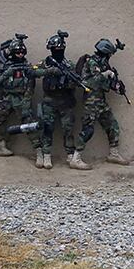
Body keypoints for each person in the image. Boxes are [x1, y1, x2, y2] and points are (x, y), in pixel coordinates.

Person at [0, 35, 48, 161]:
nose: (20, 54)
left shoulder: (27, 67)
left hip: (21, 99)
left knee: (29, 126)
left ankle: (39, 153)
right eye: (17, 52)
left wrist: (26, 102)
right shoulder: (5, 66)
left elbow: (31, 86)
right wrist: (6, 73)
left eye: (22, 52)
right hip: (6, 98)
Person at [71, 37, 129, 169]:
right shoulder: (91, 63)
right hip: (91, 102)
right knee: (88, 130)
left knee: (112, 125)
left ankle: (113, 154)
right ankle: (76, 158)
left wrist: (116, 86)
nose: (110, 56)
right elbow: (89, 82)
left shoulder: (102, 63)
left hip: (101, 101)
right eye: (109, 54)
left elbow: (105, 83)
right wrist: (106, 74)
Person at [38, 30, 81, 170]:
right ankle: (46, 155)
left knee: (68, 130)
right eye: (54, 49)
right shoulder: (47, 62)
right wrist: (49, 71)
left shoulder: (69, 65)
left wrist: (69, 81)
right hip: (49, 101)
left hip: (65, 102)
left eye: (60, 49)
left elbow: (76, 81)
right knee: (47, 129)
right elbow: (32, 72)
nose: (57, 51)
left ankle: (70, 155)